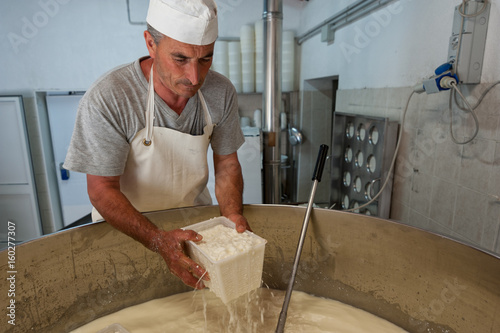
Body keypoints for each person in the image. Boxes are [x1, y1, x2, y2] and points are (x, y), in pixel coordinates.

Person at [63, 0, 251, 290]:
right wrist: (157, 240)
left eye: (205, 59)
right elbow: (101, 189)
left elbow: (226, 164)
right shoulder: (110, 97)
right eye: (180, 59)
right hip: (126, 235)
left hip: (193, 231)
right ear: (151, 43)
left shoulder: (220, 92)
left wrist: (232, 216)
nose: (195, 77)